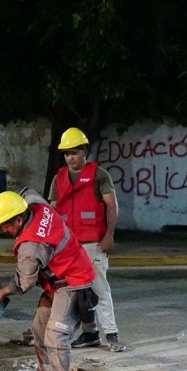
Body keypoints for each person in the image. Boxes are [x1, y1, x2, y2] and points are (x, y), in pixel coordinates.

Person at [0, 190, 98, 371]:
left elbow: (23, 282)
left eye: (6, 225)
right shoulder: (36, 203)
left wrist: (0, 293)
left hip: (74, 281)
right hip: (57, 281)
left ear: (19, 220)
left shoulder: (31, 247)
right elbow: (25, 192)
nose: (3, 230)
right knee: (39, 327)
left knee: (55, 336)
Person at [48, 127, 125, 352]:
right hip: (68, 246)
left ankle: (111, 335)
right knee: (76, 293)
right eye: (67, 153)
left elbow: (112, 206)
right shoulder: (59, 178)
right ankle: (90, 333)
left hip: (93, 243)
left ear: (85, 152)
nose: (70, 157)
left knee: (99, 289)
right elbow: (52, 211)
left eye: (75, 152)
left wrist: (109, 234)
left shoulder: (99, 175)